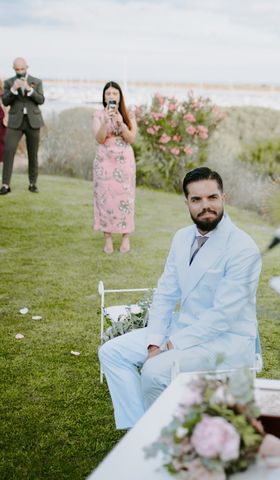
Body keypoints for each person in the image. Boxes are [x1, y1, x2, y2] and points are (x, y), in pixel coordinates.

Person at [99, 167, 262, 429]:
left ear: (223, 198)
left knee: (154, 372)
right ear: (186, 202)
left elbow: (222, 317)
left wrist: (169, 346)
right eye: (196, 200)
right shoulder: (182, 238)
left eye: (212, 197)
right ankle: (139, 428)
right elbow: (165, 293)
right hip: (184, 327)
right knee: (112, 352)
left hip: (225, 340)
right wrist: (154, 343)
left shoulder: (243, 248)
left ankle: (161, 437)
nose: (205, 206)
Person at [93, 81, 137, 254]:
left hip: (124, 161)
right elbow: (99, 139)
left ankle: (126, 237)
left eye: (115, 94)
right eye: (108, 94)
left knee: (125, 199)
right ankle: (108, 239)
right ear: (104, 97)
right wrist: (105, 122)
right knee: (104, 198)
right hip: (104, 161)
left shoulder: (128, 114)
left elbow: (131, 138)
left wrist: (121, 123)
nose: (111, 97)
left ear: (120, 97)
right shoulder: (97, 115)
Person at [1, 57, 45, 195]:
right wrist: (13, 90)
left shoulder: (36, 81)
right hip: (15, 122)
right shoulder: (9, 82)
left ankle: (33, 183)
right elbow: (5, 101)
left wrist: (29, 90)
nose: (20, 71)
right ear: (14, 69)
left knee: (33, 153)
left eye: (22, 69)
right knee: (8, 150)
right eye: (17, 69)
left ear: (27, 67)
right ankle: (5, 185)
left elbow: (41, 100)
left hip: (33, 121)